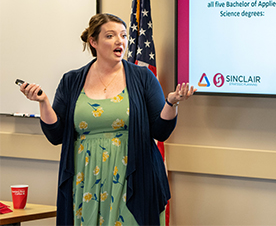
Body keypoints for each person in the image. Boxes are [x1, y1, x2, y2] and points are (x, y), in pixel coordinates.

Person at [19, 13, 196, 226]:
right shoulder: (72, 80)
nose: (119, 41)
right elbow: (56, 134)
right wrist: (44, 102)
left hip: (132, 176)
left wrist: (171, 103)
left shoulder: (143, 78)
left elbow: (160, 131)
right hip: (85, 177)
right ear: (93, 42)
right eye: (110, 36)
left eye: (123, 35)